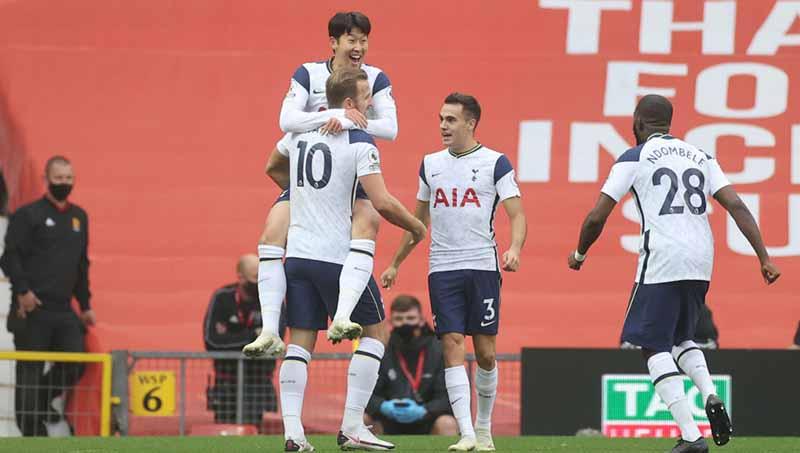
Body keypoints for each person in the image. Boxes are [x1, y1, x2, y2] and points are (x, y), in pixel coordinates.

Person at [567, 94, 781, 453]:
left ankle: (691, 434)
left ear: (638, 123)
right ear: (669, 122)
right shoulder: (701, 157)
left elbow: (597, 215)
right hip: (701, 260)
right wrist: (764, 256)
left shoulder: (634, 158)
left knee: (650, 343)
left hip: (663, 257)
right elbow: (736, 204)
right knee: (683, 338)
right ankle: (710, 393)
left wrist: (579, 253)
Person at [272, 68, 425, 452]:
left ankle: (294, 435)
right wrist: (417, 227)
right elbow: (383, 202)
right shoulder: (360, 140)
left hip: (299, 257)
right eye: (367, 97)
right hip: (340, 258)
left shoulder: (300, 134)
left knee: (300, 344)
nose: (372, 103)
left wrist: (305, 199)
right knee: (376, 332)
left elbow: (272, 167)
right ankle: (352, 427)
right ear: (351, 103)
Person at [244, 11, 398, 358]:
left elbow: (390, 128)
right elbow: (286, 120)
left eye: (364, 40)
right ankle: (269, 330)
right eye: (351, 40)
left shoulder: (374, 78)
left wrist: (349, 124)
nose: (359, 47)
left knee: (370, 218)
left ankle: (342, 315)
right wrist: (332, 116)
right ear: (334, 43)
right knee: (271, 232)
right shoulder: (308, 73)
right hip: (308, 174)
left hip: (348, 175)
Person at [381, 93, 527, 451]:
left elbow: (517, 214)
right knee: (452, 344)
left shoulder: (496, 163)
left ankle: (484, 428)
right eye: (441, 119)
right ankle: (465, 433)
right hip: (442, 267)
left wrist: (514, 248)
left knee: (487, 353)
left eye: (451, 120)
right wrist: (396, 262)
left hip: (482, 266)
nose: (443, 126)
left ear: (470, 123)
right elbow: (418, 222)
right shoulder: (430, 164)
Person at [0, 155, 96, 436]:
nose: (63, 184)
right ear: (46, 179)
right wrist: (23, 291)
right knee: (29, 370)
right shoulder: (27, 215)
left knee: (76, 361)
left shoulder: (80, 217)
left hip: (64, 308)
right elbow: (9, 258)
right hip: (32, 308)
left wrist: (86, 304)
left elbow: (82, 264)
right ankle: (31, 431)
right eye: (58, 178)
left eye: (68, 179)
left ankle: (42, 401)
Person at [203, 254, 283, 431]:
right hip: (226, 384)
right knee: (224, 432)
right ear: (240, 276)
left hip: (258, 383)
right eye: (255, 277)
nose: (259, 283)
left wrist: (234, 336)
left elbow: (276, 341)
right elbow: (212, 341)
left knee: (253, 431)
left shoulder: (271, 300)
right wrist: (252, 337)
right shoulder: (222, 298)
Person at [366, 295, 456, 436]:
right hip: (388, 420)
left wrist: (425, 410)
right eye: (399, 319)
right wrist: (383, 407)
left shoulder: (439, 349)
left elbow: (449, 397)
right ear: (391, 322)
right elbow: (366, 394)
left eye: (410, 318)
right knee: (363, 420)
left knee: (447, 424)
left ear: (421, 320)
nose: (405, 323)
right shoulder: (382, 349)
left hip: (428, 419)